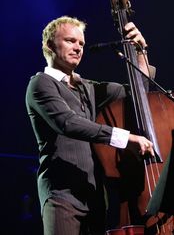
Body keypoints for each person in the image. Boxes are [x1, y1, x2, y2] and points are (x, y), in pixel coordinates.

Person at [25, 15, 154, 235]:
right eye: (70, 41)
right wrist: (125, 138)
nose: (78, 48)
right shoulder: (41, 84)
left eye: (82, 43)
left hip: (95, 198)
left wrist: (140, 52)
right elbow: (68, 123)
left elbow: (137, 91)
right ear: (49, 45)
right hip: (62, 195)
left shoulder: (88, 88)